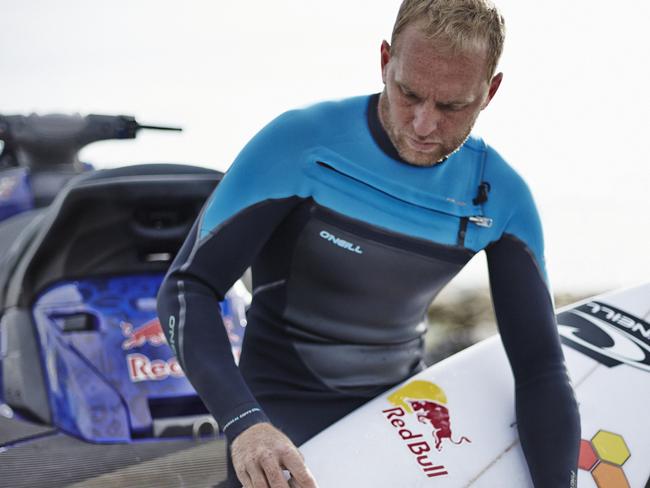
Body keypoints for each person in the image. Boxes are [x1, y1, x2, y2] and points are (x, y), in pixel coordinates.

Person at [157, 1, 580, 486]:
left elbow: (541, 368)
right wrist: (244, 425)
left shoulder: (501, 196)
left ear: (491, 92)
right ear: (385, 61)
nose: (423, 125)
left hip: (400, 410)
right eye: (409, 93)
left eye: (452, 106)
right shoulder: (302, 143)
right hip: (277, 409)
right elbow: (188, 286)